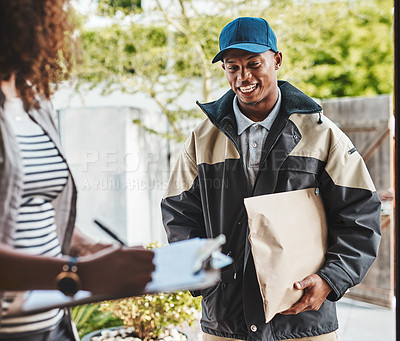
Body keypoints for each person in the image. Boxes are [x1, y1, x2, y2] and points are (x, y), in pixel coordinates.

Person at [161, 17, 381, 341]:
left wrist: (331, 279)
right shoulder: (201, 140)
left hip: (303, 321)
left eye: (254, 64)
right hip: (226, 323)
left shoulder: (321, 135)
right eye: (232, 67)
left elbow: (361, 215)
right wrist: (204, 277)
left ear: (276, 60)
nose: (243, 77)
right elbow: (179, 215)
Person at [0, 1, 154, 340]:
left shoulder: (33, 100)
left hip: (53, 326)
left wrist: (88, 248)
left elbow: (39, 208)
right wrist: (78, 272)